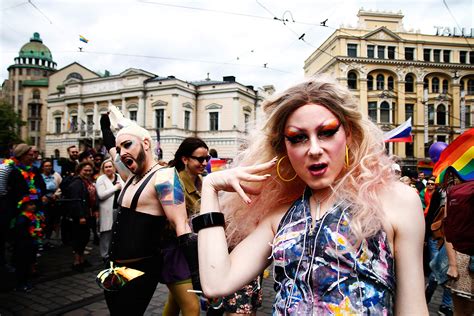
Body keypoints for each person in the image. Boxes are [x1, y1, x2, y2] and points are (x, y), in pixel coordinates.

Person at [195, 77, 428, 314]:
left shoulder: (396, 201)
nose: (314, 149)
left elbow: (414, 307)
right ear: (284, 148)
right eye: (298, 138)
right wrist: (210, 187)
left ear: (348, 134)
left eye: (326, 132)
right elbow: (216, 283)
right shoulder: (282, 215)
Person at [100, 114, 191, 315]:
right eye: (120, 148)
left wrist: (200, 274)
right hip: (114, 267)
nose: (122, 152)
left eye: (127, 145)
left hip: (140, 270)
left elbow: (181, 225)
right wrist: (105, 127)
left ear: (146, 143)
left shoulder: (164, 177)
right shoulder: (131, 176)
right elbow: (112, 150)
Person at [163, 137, 210, 316]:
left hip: (192, 249)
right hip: (174, 250)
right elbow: (169, 222)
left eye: (207, 159)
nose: (204, 162)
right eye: (200, 159)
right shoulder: (172, 182)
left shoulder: (203, 182)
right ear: (185, 159)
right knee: (192, 307)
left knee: (175, 301)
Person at [65, 161, 98, 272]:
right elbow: (76, 201)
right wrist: (80, 216)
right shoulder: (76, 183)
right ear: (79, 170)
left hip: (88, 214)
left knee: (85, 237)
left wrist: (94, 210)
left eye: (89, 170)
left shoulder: (87, 181)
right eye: (85, 170)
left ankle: (82, 260)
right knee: (78, 238)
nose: (88, 172)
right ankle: (77, 262)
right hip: (80, 216)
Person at [95, 159, 123, 261]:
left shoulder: (118, 177)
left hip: (118, 208)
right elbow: (101, 195)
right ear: (103, 169)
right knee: (106, 233)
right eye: (106, 167)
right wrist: (116, 188)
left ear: (114, 167)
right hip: (106, 210)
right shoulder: (101, 179)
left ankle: (114, 253)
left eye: (110, 166)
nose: (108, 169)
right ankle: (105, 255)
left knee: (116, 232)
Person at [41, 159, 62, 243]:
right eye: (46, 166)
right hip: (44, 200)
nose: (48, 167)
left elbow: (61, 186)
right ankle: (42, 239)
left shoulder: (56, 175)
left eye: (50, 165)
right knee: (45, 220)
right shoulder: (39, 176)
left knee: (54, 220)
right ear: (42, 167)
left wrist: (56, 194)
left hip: (54, 200)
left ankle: (50, 239)